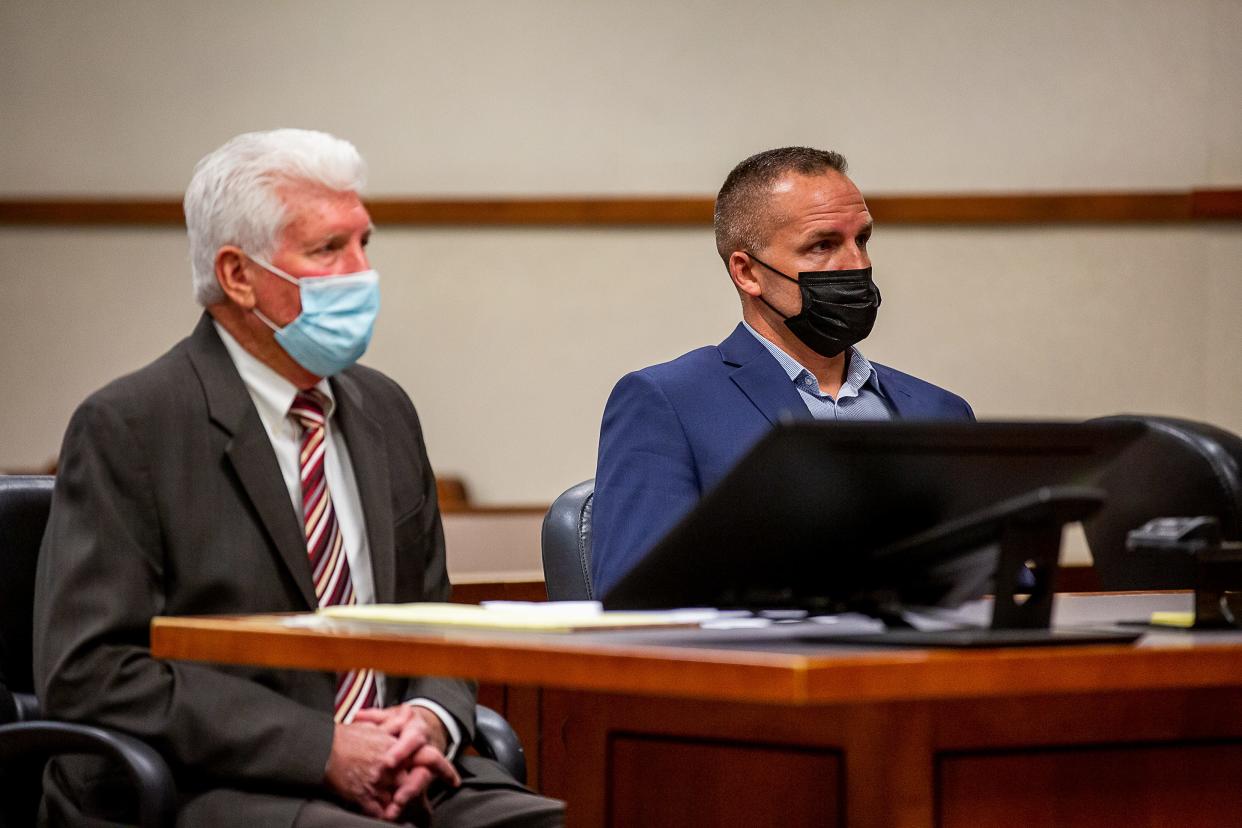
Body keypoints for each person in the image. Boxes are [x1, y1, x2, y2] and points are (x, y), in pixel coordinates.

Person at [33, 129, 563, 827]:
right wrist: (323, 749)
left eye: (364, 242)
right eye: (326, 250)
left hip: (405, 767)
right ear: (238, 276)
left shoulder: (384, 410)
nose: (360, 271)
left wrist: (429, 720)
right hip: (219, 779)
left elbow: (434, 623)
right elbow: (90, 672)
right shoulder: (131, 425)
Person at [591, 147, 975, 595]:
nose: (857, 265)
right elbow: (635, 596)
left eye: (862, 240)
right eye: (823, 245)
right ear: (748, 273)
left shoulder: (941, 411)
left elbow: (996, 581)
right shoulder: (668, 402)